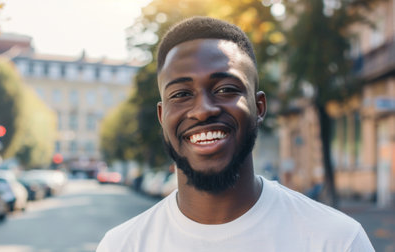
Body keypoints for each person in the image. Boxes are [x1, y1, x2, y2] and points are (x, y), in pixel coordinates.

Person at [96, 16, 374, 252]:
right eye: (180, 94)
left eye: (226, 89)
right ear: (161, 116)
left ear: (259, 107)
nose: (203, 110)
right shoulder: (121, 246)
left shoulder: (337, 241)